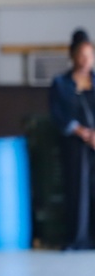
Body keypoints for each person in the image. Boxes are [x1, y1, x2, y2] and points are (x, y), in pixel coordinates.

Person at [49, 28, 95, 250]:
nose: (85, 61)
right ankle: (77, 238)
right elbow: (58, 114)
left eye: (89, 56)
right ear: (74, 56)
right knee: (77, 189)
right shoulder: (61, 84)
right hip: (74, 143)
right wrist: (82, 132)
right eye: (81, 56)